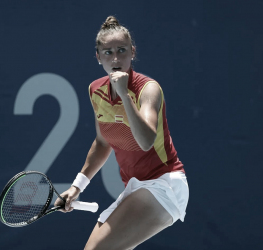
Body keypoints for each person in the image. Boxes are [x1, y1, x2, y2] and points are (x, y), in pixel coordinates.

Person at [55, 16, 189, 250]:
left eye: (122, 50)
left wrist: (125, 95)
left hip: (164, 183)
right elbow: (102, 142)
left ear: (132, 52)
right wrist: (77, 187)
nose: (115, 59)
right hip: (135, 186)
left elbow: (146, 141)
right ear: (98, 57)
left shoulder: (149, 89)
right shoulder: (95, 90)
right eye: (107, 52)